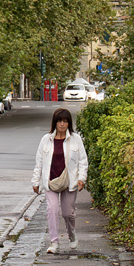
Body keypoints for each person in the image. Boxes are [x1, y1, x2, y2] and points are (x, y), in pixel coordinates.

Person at [32, 107, 88, 254]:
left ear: (69, 123)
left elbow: (83, 161)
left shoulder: (76, 140)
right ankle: (54, 242)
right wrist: (35, 181)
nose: (62, 124)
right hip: (50, 181)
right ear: (54, 123)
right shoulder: (46, 140)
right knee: (52, 210)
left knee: (68, 213)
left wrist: (82, 179)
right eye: (59, 121)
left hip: (69, 182)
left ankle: (71, 234)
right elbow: (39, 162)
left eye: (65, 121)